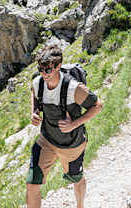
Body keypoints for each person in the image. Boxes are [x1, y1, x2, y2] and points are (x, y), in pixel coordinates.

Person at [27, 45, 103, 208]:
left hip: (72, 144)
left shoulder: (73, 88)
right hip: (46, 140)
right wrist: (34, 111)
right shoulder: (38, 82)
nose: (43, 74)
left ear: (58, 66)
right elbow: (33, 91)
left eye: (47, 69)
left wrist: (74, 124)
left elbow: (97, 106)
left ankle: (80, 206)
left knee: (76, 178)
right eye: (40, 69)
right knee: (32, 183)